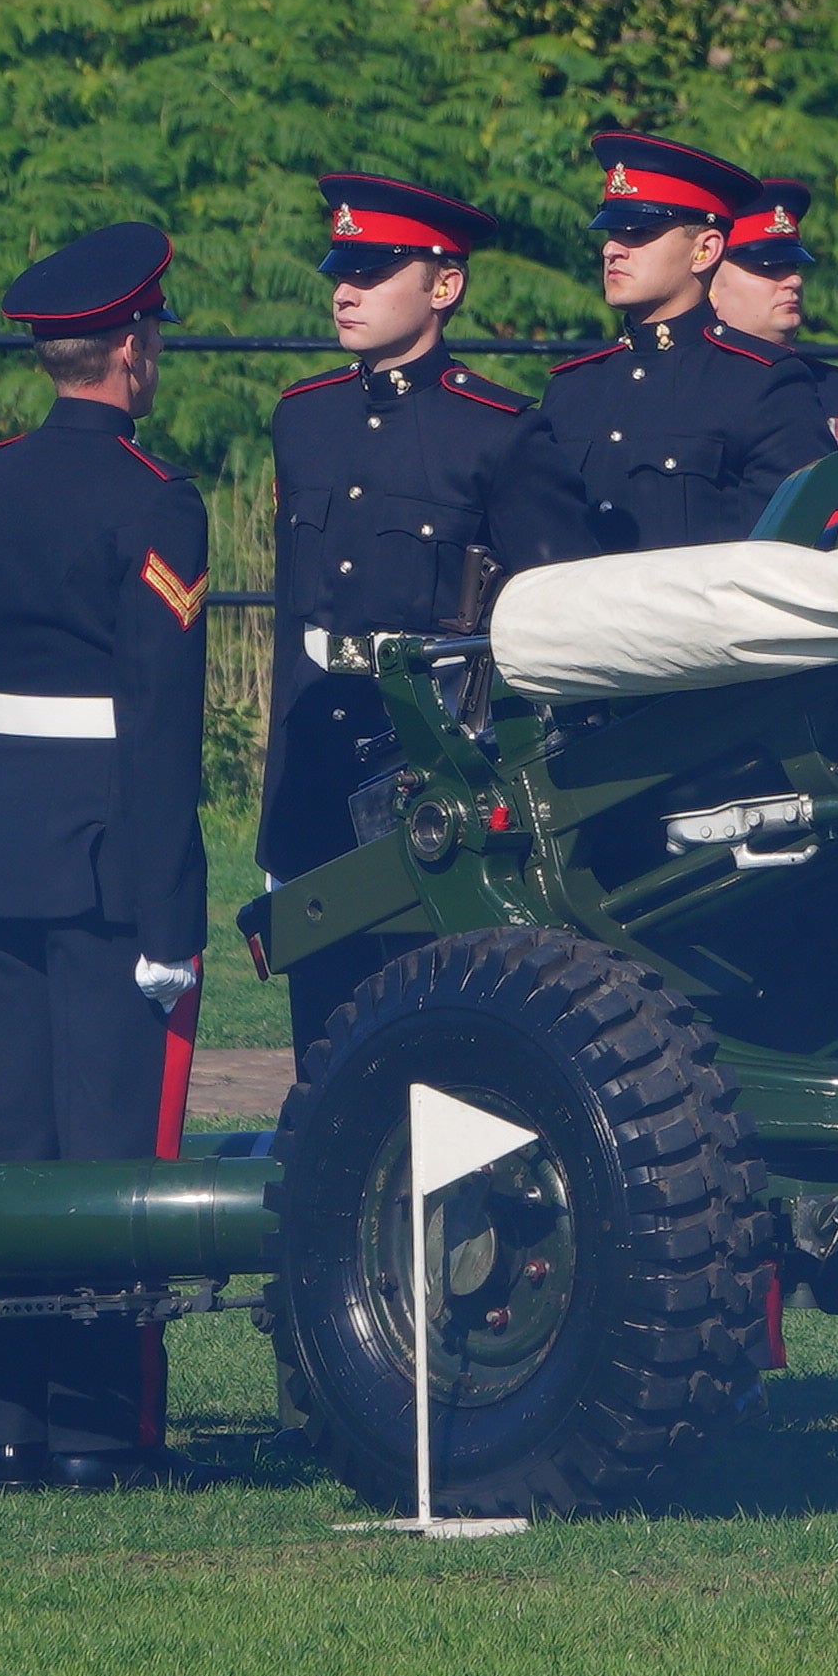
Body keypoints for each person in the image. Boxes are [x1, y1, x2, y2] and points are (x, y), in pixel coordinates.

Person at [0, 220, 212, 1491]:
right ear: (132, 351)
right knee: (107, 1148)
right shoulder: (156, 502)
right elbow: (162, 724)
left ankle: (13, 1419)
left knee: (18, 1135)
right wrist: (168, 915)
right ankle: (98, 1428)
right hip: (104, 863)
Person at [261, 172, 585, 1065]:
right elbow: (297, 617)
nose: (345, 289)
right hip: (318, 774)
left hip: (437, 773)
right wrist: (277, 808)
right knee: (325, 1052)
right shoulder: (304, 419)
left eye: (373, 270)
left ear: (444, 287)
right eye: (341, 267)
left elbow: (554, 616)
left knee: (440, 1040)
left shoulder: (500, 432)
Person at [544, 128, 838, 551]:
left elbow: (796, 548)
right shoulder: (573, 387)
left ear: (704, 251)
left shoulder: (762, 384)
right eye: (611, 234)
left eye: (639, 233)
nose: (612, 250)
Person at [701, 176, 838, 461]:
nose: (794, 280)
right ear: (710, 282)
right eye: (768, 268)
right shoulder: (685, 385)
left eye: (793, 266)